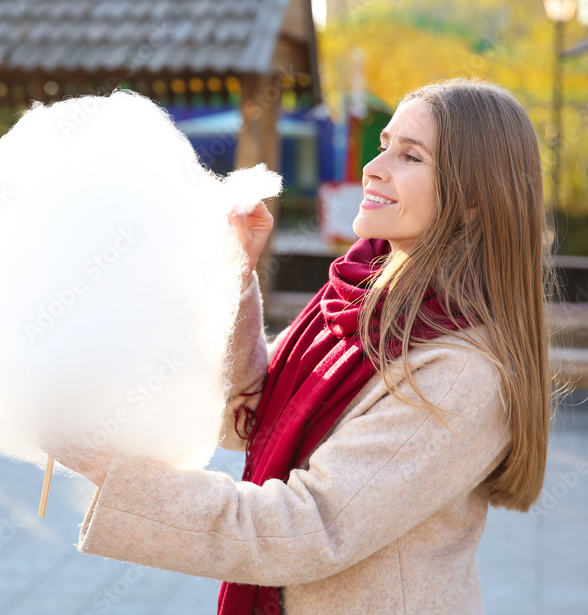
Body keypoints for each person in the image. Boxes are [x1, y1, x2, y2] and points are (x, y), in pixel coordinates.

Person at [50, 78, 554, 614]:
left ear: (475, 198)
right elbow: (248, 416)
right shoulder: (357, 294)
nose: (374, 167)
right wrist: (236, 274)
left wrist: (111, 468)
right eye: (384, 144)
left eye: (411, 156)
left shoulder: (459, 371)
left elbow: (307, 530)